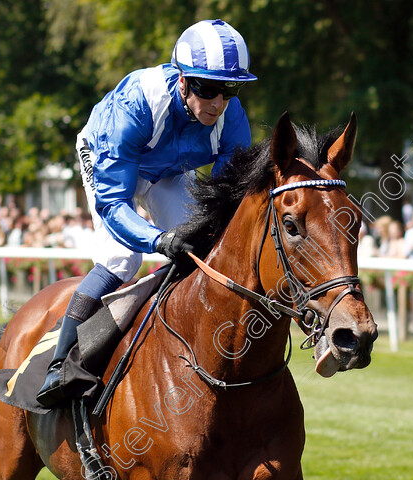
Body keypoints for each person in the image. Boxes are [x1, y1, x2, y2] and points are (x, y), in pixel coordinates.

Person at [37, 19, 257, 407]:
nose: (218, 102)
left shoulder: (232, 119)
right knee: (122, 259)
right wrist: (157, 238)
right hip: (110, 160)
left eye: (228, 89)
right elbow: (114, 203)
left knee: (201, 250)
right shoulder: (136, 104)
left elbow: (224, 204)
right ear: (183, 81)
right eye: (207, 88)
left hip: (166, 172)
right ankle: (59, 366)